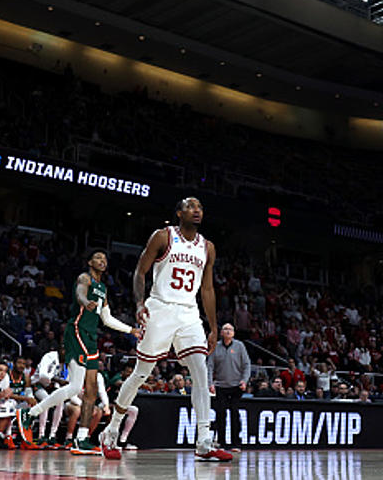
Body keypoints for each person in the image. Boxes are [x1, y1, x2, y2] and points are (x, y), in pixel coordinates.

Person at [99, 198, 231, 462]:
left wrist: (213, 326)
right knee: (141, 373)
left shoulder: (208, 247)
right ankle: (111, 430)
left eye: (201, 208)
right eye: (191, 207)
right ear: (179, 212)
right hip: (159, 308)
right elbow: (140, 271)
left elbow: (207, 289)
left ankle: (204, 439)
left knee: (200, 372)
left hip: (189, 314)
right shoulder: (163, 236)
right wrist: (138, 302)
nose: (197, 211)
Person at [17, 249, 140, 455]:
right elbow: (80, 293)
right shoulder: (85, 278)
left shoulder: (103, 288)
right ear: (90, 262)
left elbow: (107, 319)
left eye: (105, 258)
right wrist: (85, 302)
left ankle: (81, 439)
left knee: (86, 391)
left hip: (91, 336)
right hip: (76, 330)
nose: (102, 260)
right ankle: (30, 414)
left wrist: (131, 330)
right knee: (77, 387)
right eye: (98, 258)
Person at [207, 322, 250, 452]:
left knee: (234, 414)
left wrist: (244, 380)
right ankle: (222, 442)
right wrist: (210, 383)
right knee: (220, 414)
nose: (227, 331)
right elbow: (210, 366)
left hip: (236, 386)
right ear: (221, 332)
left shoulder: (240, 346)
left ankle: (236, 443)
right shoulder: (216, 347)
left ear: (234, 333)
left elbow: (247, 365)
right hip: (220, 386)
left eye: (230, 329)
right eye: (225, 329)